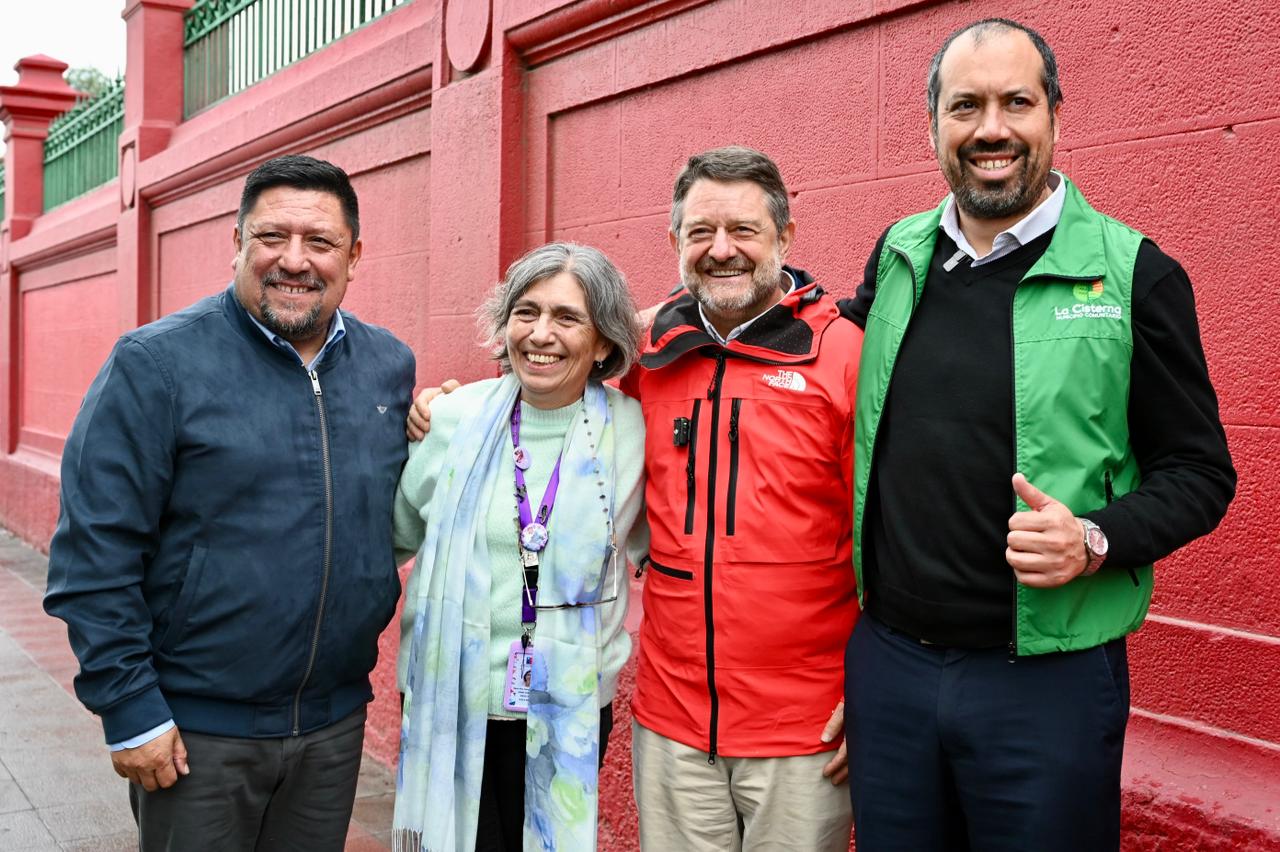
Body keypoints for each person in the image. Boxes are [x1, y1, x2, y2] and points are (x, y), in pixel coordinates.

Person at [841, 19, 1236, 851]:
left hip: (1048, 687)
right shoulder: (899, 255)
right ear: (933, 125)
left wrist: (1094, 538)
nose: (991, 129)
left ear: (1055, 114)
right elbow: (816, 334)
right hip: (891, 668)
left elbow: (1200, 472)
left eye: (1016, 103)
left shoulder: (1135, 274)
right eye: (966, 106)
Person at [406, 146, 862, 851]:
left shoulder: (845, 355)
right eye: (701, 231)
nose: (722, 249)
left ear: (785, 236)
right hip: (672, 725)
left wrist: (874, 690)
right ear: (674, 240)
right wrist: (441, 409)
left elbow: (888, 539)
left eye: (743, 230)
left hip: (802, 728)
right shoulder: (653, 354)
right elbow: (563, 352)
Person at [43, 155, 415, 851]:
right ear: (237, 241)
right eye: (272, 236)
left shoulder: (387, 366)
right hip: (196, 734)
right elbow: (94, 555)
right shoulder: (154, 365)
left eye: (320, 241)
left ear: (354, 256)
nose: (294, 260)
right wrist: (130, 709)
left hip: (333, 726)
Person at [391, 242, 647, 852]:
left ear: (603, 342)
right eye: (525, 312)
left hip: (570, 705)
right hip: (448, 698)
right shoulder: (454, 417)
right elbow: (394, 535)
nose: (541, 334)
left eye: (568, 317)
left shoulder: (634, 432)